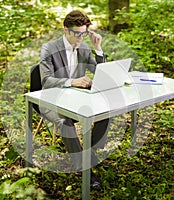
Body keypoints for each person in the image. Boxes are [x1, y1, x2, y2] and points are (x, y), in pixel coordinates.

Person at [39, 10, 110, 190]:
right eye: (76, 33)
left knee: (106, 112)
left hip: (77, 100)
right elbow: (46, 81)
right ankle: (87, 170)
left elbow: (101, 74)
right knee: (65, 122)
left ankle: (89, 155)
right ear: (66, 30)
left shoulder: (85, 48)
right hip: (51, 100)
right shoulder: (49, 48)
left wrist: (98, 49)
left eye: (83, 33)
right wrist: (72, 82)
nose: (80, 38)